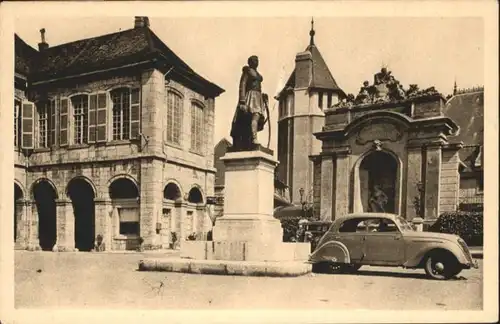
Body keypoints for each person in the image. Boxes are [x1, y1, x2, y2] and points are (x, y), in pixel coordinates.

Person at [230, 55, 269, 151]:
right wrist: (242, 100)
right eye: (254, 60)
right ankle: (253, 139)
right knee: (250, 117)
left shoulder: (258, 75)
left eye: (257, 60)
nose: (256, 62)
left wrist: (263, 96)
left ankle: (254, 138)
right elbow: (242, 85)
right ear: (250, 62)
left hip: (257, 97)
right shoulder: (247, 72)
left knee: (256, 116)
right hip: (250, 97)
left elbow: (258, 87)